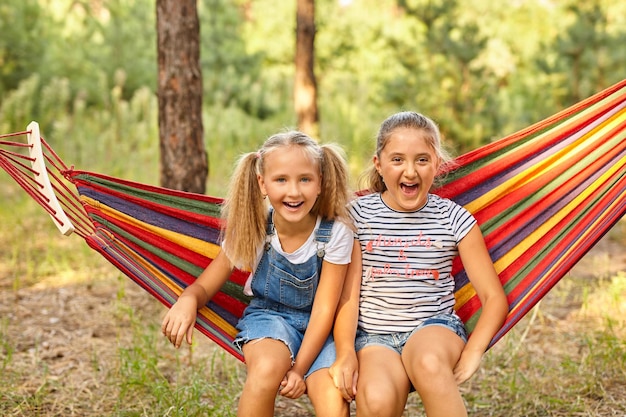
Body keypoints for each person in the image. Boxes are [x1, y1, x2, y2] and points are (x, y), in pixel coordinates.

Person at [161, 131, 355, 417]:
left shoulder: (335, 233)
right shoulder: (252, 227)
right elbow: (204, 286)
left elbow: (326, 310)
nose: (293, 191)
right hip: (271, 319)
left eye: (305, 179)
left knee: (334, 399)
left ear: (320, 184)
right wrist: (188, 299)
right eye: (281, 180)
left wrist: (300, 369)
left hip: (323, 329)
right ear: (262, 183)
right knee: (265, 371)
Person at [330, 111, 509, 417]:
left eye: (422, 160)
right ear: (379, 165)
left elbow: (494, 298)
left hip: (433, 328)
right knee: (375, 399)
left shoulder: (454, 219)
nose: (410, 171)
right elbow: (346, 295)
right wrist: (346, 350)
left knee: (427, 362)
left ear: (437, 164)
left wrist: (474, 350)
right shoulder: (356, 216)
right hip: (374, 337)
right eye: (397, 160)